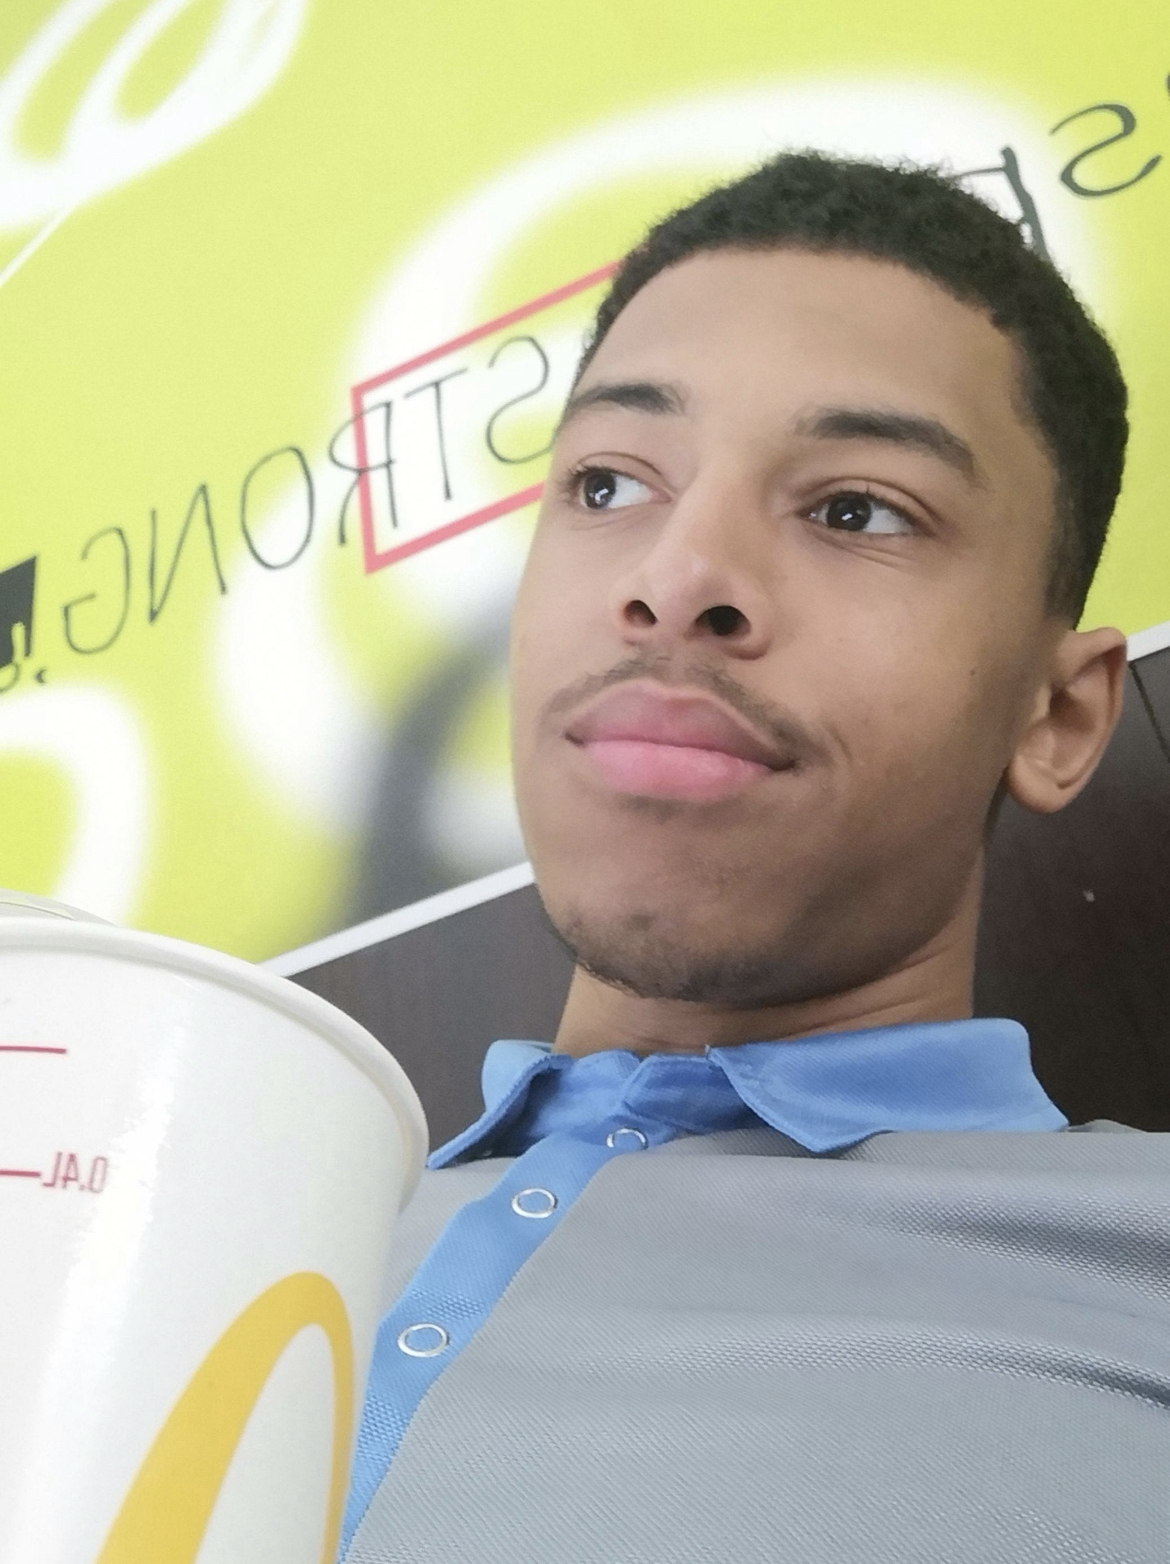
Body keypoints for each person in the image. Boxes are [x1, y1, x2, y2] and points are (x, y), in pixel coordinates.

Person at [339, 152, 1169, 1563]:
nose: (673, 579)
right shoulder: (215, 1218)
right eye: (609, 481)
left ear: (1058, 715)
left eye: (856, 510)